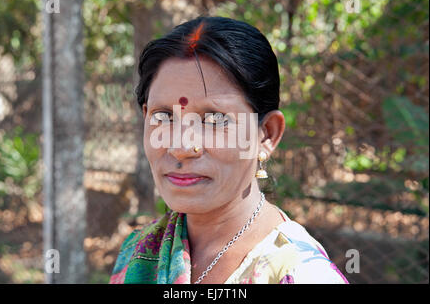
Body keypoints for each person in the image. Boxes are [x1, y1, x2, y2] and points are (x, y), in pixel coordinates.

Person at [110, 16, 349, 284]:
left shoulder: (302, 274)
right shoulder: (139, 253)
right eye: (164, 116)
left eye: (214, 120)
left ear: (267, 134)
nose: (180, 148)